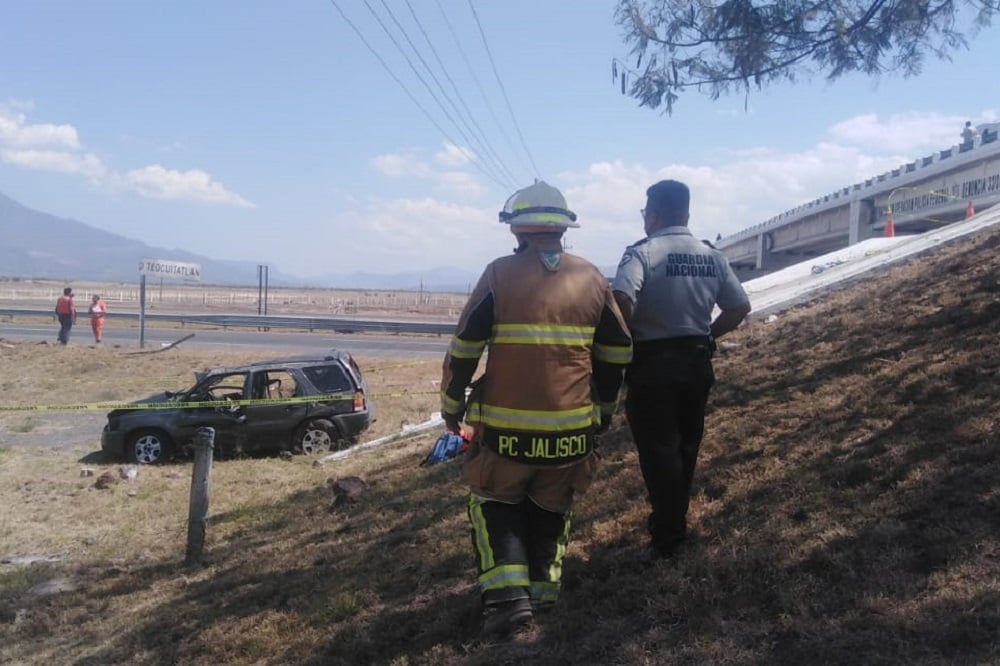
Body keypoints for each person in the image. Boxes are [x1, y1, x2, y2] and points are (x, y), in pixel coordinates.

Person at [441, 181, 632, 637]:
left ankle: (509, 602)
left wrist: (452, 406)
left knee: (494, 504)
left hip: (505, 436)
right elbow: (618, 352)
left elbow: (465, 347)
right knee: (552, 506)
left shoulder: (498, 275)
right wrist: (601, 412)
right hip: (572, 436)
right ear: (563, 231)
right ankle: (543, 595)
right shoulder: (592, 278)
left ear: (519, 230)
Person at [612, 179, 751, 559]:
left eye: (645, 214)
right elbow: (739, 307)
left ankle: (668, 535)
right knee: (687, 445)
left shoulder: (642, 254)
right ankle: (674, 522)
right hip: (695, 361)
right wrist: (709, 334)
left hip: (652, 363)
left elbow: (623, 296)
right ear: (686, 213)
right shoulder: (712, 255)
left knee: (658, 450)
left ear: (653, 214)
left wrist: (626, 337)